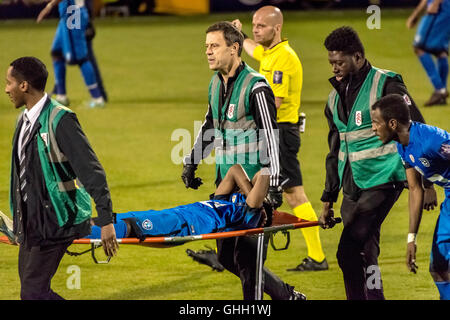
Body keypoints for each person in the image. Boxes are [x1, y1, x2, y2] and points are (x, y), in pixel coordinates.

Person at [181, 21, 304, 300]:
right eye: (206, 47)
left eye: (214, 46)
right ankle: (287, 296)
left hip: (252, 190)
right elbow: (210, 125)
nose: (208, 52)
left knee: (248, 264)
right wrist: (192, 161)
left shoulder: (256, 87)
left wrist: (272, 184)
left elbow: (270, 137)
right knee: (225, 258)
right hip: (225, 183)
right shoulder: (215, 83)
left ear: (234, 48)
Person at [319, 26, 434, 300]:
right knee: (363, 251)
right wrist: (328, 198)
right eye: (331, 62)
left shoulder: (386, 84)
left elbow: (417, 128)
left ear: (358, 57)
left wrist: (427, 182)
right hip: (352, 187)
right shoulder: (333, 99)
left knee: (348, 249)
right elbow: (335, 151)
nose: (335, 68)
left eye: (340, 62)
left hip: (385, 180)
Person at [4, 56, 118, 300]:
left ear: (24, 85)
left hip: (55, 221)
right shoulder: (22, 121)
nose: (6, 89)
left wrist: (107, 220)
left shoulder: (60, 119)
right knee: (33, 291)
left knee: (33, 293)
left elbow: (91, 171)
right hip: (30, 223)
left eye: (9, 83)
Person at [232, 5, 327, 272]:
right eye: (253, 24)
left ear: (277, 28)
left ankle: (317, 257)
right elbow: (254, 49)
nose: (255, 29)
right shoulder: (271, 52)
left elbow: (273, 103)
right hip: (275, 132)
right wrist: (239, 35)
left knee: (294, 194)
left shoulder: (283, 58)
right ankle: (238, 250)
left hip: (280, 133)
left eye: (261, 26)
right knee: (257, 186)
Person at [0, 165, 269, 245]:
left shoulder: (250, 212)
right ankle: (39, 227)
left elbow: (258, 189)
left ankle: (37, 233)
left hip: (186, 224)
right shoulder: (235, 200)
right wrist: (246, 187)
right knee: (116, 221)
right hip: (178, 213)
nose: (252, 178)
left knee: (129, 227)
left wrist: (264, 175)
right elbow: (235, 170)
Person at [370, 93, 450, 300]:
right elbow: (415, 190)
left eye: (376, 123)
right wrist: (411, 239)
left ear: (393, 123)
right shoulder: (402, 146)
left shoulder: (433, 141)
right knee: (439, 267)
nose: (373, 128)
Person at [37, 0, 106, 108]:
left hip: (74, 13)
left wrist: (49, 5)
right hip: (66, 13)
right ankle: (61, 96)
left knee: (80, 57)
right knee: (57, 53)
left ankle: (97, 98)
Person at [406, 0, 450, 106]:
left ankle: (440, 90)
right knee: (440, 50)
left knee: (419, 47)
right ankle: (441, 95)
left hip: (441, 8)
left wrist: (435, 3)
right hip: (445, 8)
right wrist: (416, 14)